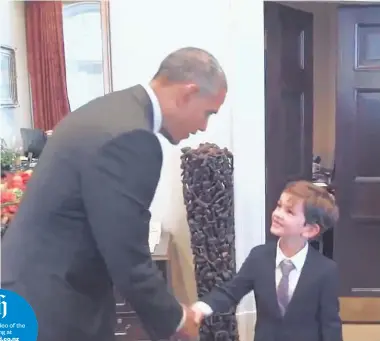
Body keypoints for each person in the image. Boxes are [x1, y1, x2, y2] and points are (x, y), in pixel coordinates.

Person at [1, 47, 227, 341]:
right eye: (208, 112)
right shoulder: (132, 138)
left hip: (24, 292)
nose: (203, 127)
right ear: (188, 93)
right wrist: (177, 319)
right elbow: (128, 258)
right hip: (53, 309)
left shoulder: (108, 110)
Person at [191, 180, 343, 341]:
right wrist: (201, 308)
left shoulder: (325, 271)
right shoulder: (259, 257)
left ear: (310, 230)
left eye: (289, 212)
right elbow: (231, 291)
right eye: (279, 206)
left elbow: (330, 323)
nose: (277, 214)